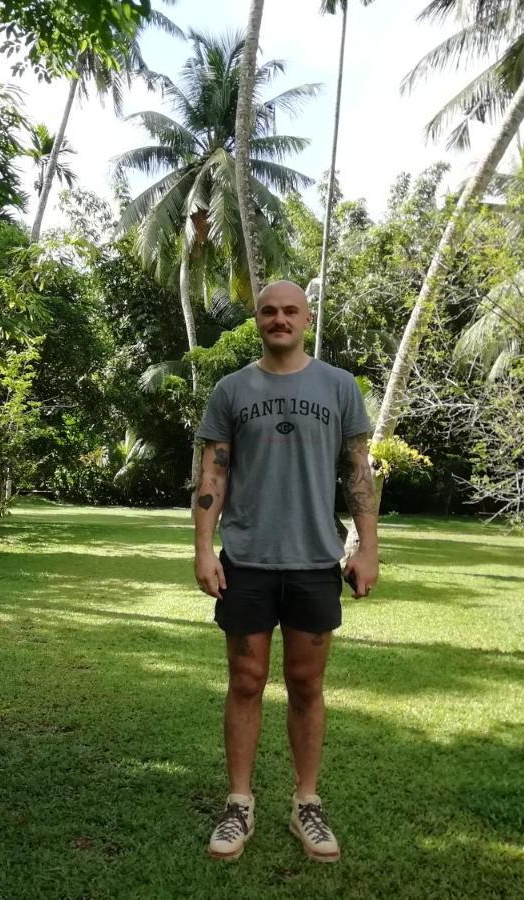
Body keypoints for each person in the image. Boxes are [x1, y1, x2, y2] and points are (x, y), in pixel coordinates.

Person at [192, 280, 379, 863]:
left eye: (289, 311)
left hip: (314, 561)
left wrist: (367, 547)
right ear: (258, 320)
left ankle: (306, 803)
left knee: (306, 684)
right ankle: (240, 802)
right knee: (246, 680)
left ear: (307, 317)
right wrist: (203, 547)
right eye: (269, 311)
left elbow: (358, 474)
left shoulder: (339, 387)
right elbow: (213, 474)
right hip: (245, 560)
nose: (279, 319)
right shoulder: (231, 390)